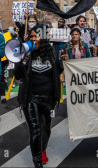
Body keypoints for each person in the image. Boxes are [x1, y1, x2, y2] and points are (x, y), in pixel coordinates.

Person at [14, 24, 63, 168]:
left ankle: (42, 149)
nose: (34, 39)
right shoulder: (26, 54)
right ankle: (37, 162)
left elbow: (57, 72)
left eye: (37, 36)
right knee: (35, 129)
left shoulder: (52, 52)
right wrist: (22, 59)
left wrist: (63, 62)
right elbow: (17, 75)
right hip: (30, 97)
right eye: (32, 36)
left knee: (45, 126)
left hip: (48, 98)